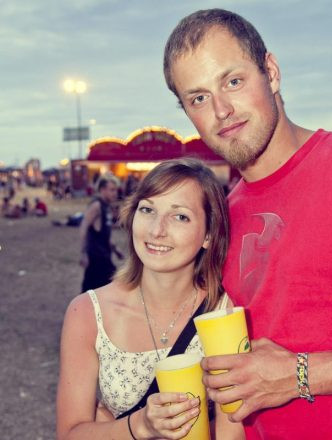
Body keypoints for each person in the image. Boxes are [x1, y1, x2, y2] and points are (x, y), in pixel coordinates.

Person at [163, 9, 332, 439]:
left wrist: (299, 374)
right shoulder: (220, 216)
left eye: (233, 81)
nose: (221, 110)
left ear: (270, 72)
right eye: (198, 98)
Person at [57, 158, 244, 439]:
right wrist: (139, 425)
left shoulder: (222, 313)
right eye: (147, 209)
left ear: (208, 234)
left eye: (180, 216)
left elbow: (233, 433)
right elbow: (70, 434)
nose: (157, 230)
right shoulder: (86, 313)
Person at [79, 173, 123, 292]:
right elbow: (84, 226)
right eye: (112, 190)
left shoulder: (106, 206)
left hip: (104, 255)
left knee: (91, 290)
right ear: (102, 190)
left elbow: (104, 234)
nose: (115, 193)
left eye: (116, 190)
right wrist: (83, 253)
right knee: (111, 286)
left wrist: (115, 249)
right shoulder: (96, 205)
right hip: (97, 257)